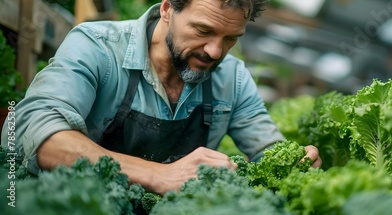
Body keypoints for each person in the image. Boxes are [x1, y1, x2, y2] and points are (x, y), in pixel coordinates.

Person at [1, 0, 321, 195]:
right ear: (168, 8)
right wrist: (157, 174)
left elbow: (268, 150)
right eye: (203, 30)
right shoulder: (97, 47)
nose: (215, 51)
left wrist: (294, 161)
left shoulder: (233, 79)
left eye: (231, 39)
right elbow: (36, 133)